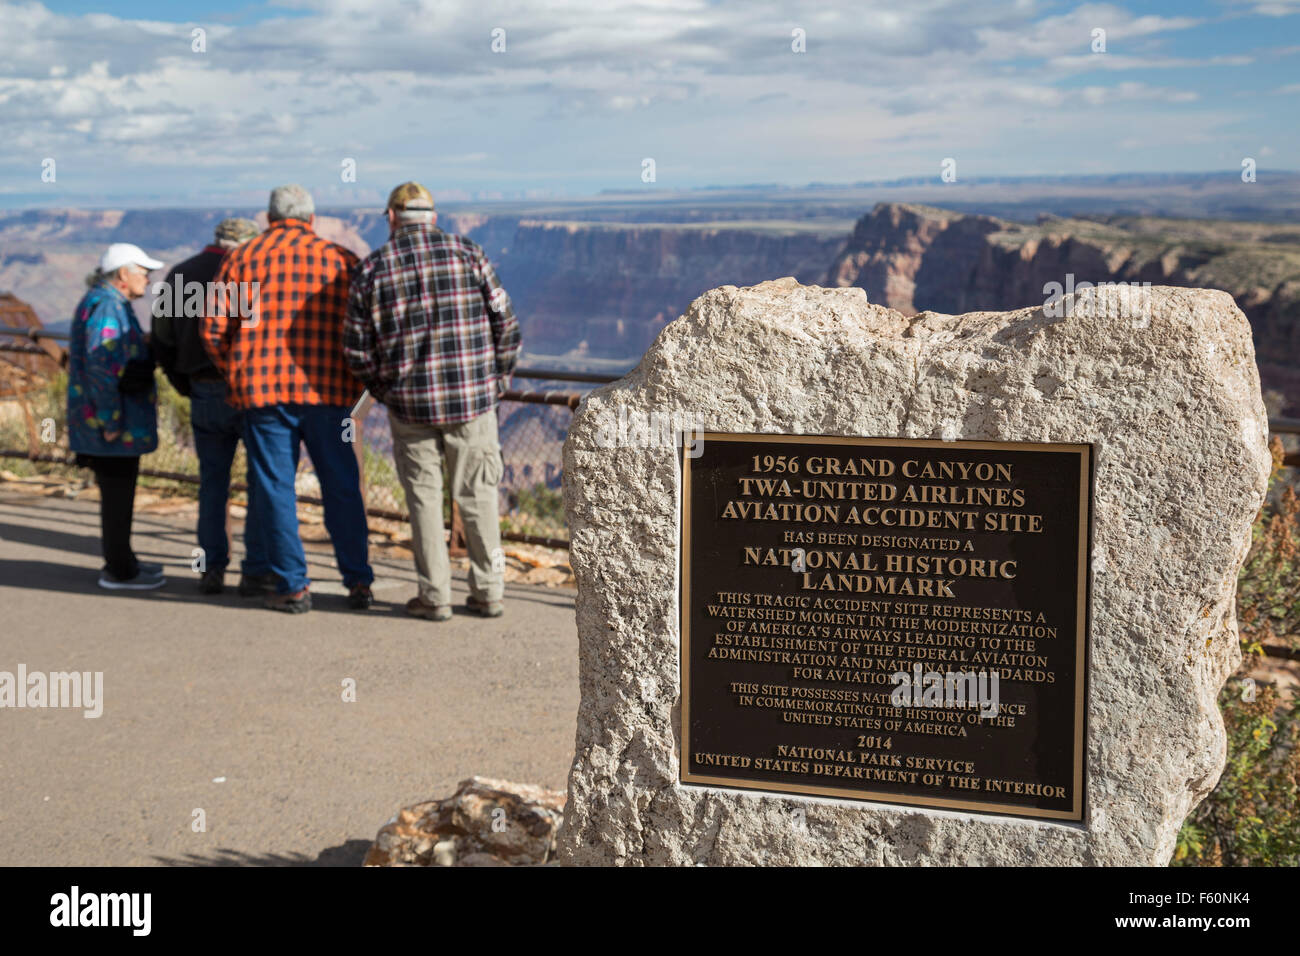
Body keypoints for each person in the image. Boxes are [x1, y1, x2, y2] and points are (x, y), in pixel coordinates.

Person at [344, 182, 520, 621]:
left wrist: (385, 389)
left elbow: (356, 349)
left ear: (391, 218)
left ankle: (435, 596)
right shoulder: (469, 254)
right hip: (472, 403)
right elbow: (506, 323)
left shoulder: (372, 269)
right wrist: (495, 381)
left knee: (422, 499)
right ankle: (488, 591)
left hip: (410, 407)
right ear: (433, 217)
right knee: (478, 493)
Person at [202, 185, 375, 614]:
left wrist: (238, 370)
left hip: (263, 395)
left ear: (270, 217)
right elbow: (363, 330)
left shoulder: (243, 257)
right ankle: (358, 582)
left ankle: (294, 586)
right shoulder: (342, 260)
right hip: (330, 395)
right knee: (342, 487)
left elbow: (211, 328)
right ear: (311, 219)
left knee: (275, 488)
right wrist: (353, 381)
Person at [152, 217, 275, 596]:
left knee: (212, 485)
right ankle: (255, 572)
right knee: (260, 483)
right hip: (252, 392)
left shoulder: (182, 275)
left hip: (203, 390)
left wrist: (182, 382)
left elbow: (162, 338)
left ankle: (211, 569)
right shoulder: (253, 274)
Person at [67, 243, 166, 590]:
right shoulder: (109, 306)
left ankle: (126, 561)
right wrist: (110, 421)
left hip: (108, 423)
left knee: (118, 496)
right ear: (123, 274)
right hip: (111, 427)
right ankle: (120, 571)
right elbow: (102, 368)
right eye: (143, 272)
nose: (148, 279)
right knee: (117, 497)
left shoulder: (106, 301)